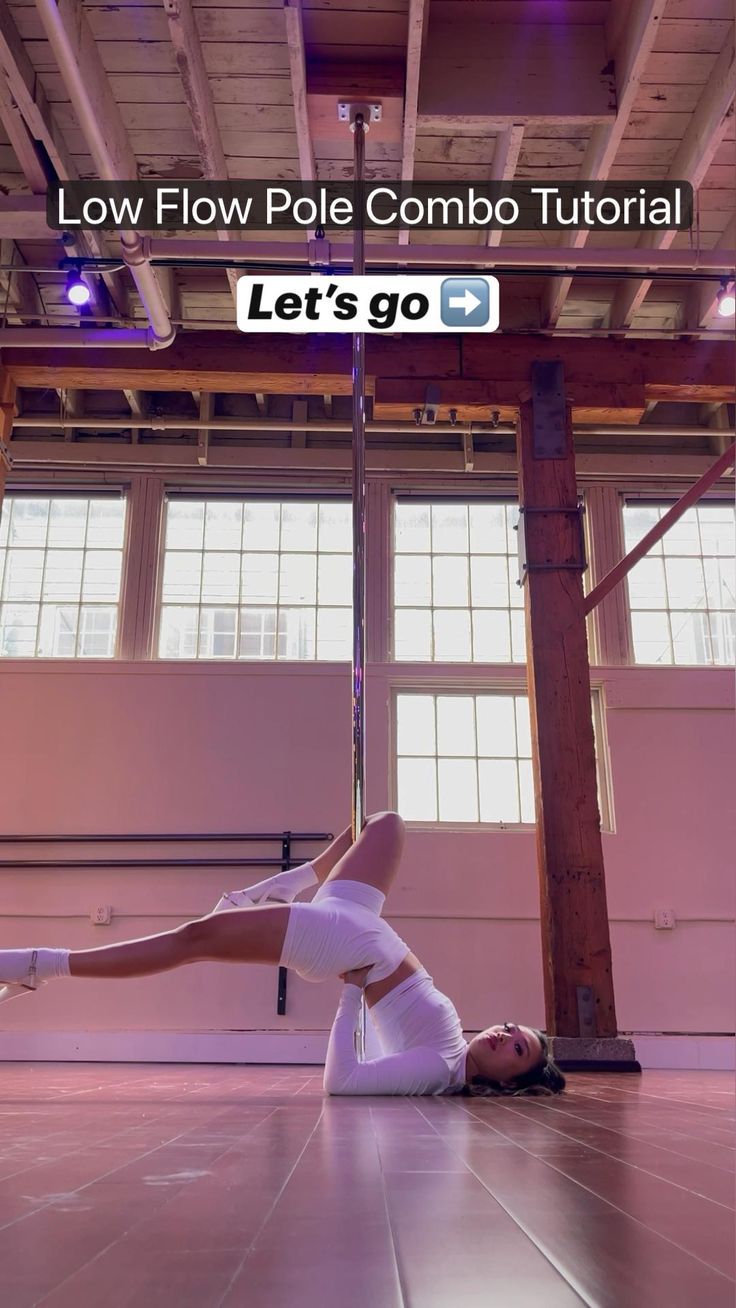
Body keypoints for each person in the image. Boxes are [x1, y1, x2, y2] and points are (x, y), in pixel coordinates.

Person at [0, 812, 565, 1098]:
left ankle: (37, 965)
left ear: (509, 1082)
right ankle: (292, 882)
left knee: (191, 941)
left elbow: (340, 1083)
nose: (502, 1035)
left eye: (516, 1049)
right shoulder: (451, 1046)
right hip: (358, 920)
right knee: (385, 822)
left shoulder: (439, 1071)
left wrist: (350, 987)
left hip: (343, 942)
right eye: (512, 1028)